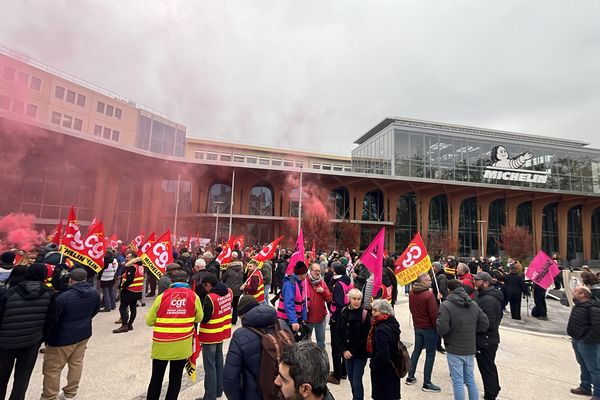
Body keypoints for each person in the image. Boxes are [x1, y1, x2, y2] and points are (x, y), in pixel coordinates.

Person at [41, 268, 100, 400]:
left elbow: (53, 319)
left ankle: (49, 396)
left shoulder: (63, 297)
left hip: (62, 337)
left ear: (70, 280)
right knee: (76, 363)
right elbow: (95, 311)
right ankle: (70, 393)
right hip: (83, 333)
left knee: (52, 369)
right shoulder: (94, 292)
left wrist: (46, 337)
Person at [146, 270, 203, 400]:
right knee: (175, 378)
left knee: (156, 377)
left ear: (172, 281)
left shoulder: (162, 296)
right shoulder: (194, 296)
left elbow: (149, 321)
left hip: (161, 344)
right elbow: (199, 318)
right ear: (186, 281)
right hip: (182, 344)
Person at [0, 263, 53, 400]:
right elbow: (49, 319)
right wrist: (42, 338)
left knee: (1, 377)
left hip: (6, 342)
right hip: (31, 342)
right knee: (22, 379)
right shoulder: (49, 294)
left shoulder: (9, 293)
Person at [223, 295, 290, 399]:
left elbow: (230, 378)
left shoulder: (240, 335)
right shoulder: (282, 324)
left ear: (244, 315)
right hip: (282, 391)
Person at [437, 279, 489, 400]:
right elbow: (484, 323)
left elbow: (442, 329)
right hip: (470, 347)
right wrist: (472, 331)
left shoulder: (446, 305)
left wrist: (447, 334)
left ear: (449, 290)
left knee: (458, 382)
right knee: (470, 379)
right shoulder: (473, 304)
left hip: (454, 347)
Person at [198, 274, 233, 400]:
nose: (204, 289)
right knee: (219, 362)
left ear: (209, 285)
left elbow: (205, 318)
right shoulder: (228, 291)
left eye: (205, 286)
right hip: (222, 331)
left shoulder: (210, 298)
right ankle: (219, 390)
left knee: (210, 366)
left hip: (210, 334)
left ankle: (209, 396)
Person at [406, 273, 441, 392]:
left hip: (418, 326)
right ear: (422, 281)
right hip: (429, 328)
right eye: (428, 280)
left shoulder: (412, 292)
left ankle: (410, 376)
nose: (430, 281)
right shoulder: (428, 295)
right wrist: (436, 327)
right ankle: (427, 383)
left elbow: (411, 308)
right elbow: (434, 314)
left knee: (417, 350)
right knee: (430, 355)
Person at [473, 272, 504, 400]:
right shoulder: (486, 296)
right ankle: (494, 388)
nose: (475, 282)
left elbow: (487, 323)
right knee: (489, 366)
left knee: (487, 368)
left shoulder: (488, 300)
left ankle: (491, 394)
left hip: (486, 340)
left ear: (486, 283)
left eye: (478, 280)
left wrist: (475, 330)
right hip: (489, 338)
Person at [567, 285, 600, 399]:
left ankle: (598, 394)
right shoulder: (579, 305)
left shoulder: (593, 307)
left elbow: (597, 326)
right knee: (583, 365)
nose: (573, 292)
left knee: (594, 368)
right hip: (577, 339)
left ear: (583, 294)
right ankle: (585, 387)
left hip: (587, 342)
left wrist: (587, 339)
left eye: (576, 291)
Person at [338, 288, 370, 400]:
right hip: (346, 353)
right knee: (351, 379)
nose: (356, 301)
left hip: (359, 354)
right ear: (349, 299)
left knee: (356, 381)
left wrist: (351, 351)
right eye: (354, 299)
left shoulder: (365, 314)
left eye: (359, 299)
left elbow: (365, 338)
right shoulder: (343, 312)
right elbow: (339, 333)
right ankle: (355, 397)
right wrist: (343, 350)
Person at [368, 299, 401, 400]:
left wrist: (373, 364)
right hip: (393, 366)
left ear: (384, 312)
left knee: (382, 395)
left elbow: (382, 354)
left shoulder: (381, 329)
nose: (372, 313)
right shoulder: (393, 322)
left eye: (375, 311)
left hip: (383, 371)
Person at [328, 262, 352, 384]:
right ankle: (343, 372)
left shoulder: (338, 285)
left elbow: (338, 304)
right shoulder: (349, 282)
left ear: (336, 272)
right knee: (343, 344)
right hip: (347, 317)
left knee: (336, 347)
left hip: (338, 319)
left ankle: (336, 375)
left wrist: (333, 317)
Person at [113, 254, 145, 333]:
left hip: (129, 290)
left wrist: (122, 286)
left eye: (128, 257)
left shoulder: (132, 267)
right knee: (133, 308)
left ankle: (124, 325)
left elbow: (130, 280)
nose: (126, 259)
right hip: (137, 290)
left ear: (134, 258)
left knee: (123, 307)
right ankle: (130, 324)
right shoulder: (140, 266)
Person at [306, 262, 331, 350]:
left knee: (321, 343)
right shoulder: (305, 282)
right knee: (306, 343)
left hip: (320, 316)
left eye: (319, 271)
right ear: (310, 271)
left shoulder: (322, 283)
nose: (318, 273)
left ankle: (320, 362)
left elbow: (329, 299)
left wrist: (323, 291)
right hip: (308, 317)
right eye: (315, 271)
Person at [277, 261, 308, 332]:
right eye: (306, 273)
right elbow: (289, 304)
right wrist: (293, 321)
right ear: (302, 274)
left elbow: (302, 303)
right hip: (286, 320)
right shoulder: (289, 285)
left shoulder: (299, 284)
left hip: (296, 318)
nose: (307, 275)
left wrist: (304, 318)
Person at [221, 252, 244, 325]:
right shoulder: (241, 269)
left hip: (230, 290)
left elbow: (223, 279)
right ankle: (234, 320)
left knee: (228, 305)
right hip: (238, 290)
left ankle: (227, 319)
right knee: (235, 305)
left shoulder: (229, 270)